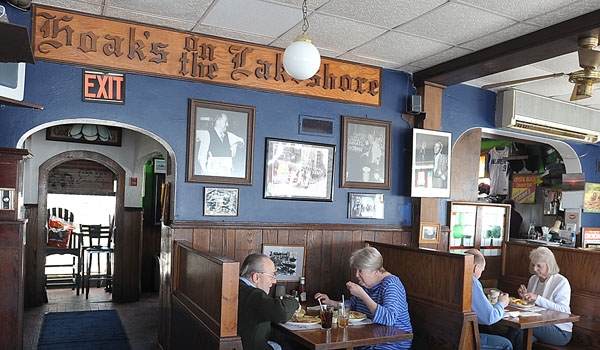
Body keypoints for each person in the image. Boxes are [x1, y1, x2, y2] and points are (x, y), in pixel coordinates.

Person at [314, 247, 412, 350]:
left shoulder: (391, 284)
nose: (356, 275)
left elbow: (389, 318)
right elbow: (352, 305)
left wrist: (362, 295)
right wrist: (331, 302)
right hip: (368, 340)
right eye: (356, 270)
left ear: (376, 271)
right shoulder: (367, 284)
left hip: (391, 343)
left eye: (361, 271)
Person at [507, 247, 572, 349]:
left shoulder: (561, 282)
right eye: (533, 265)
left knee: (518, 326)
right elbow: (532, 307)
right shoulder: (533, 279)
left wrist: (538, 298)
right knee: (521, 336)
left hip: (560, 331)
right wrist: (524, 297)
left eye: (539, 266)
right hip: (537, 324)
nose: (534, 269)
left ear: (549, 266)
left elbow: (564, 310)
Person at [238, 253, 300, 350]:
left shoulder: (237, 286)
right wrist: (294, 302)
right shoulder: (252, 294)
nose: (274, 281)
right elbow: (282, 312)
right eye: (272, 276)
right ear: (256, 277)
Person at [464, 249, 513, 350]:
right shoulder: (471, 282)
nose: (481, 274)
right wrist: (501, 303)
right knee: (506, 344)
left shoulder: (451, 276)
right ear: (476, 267)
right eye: (482, 270)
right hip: (462, 338)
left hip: (441, 334)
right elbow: (489, 317)